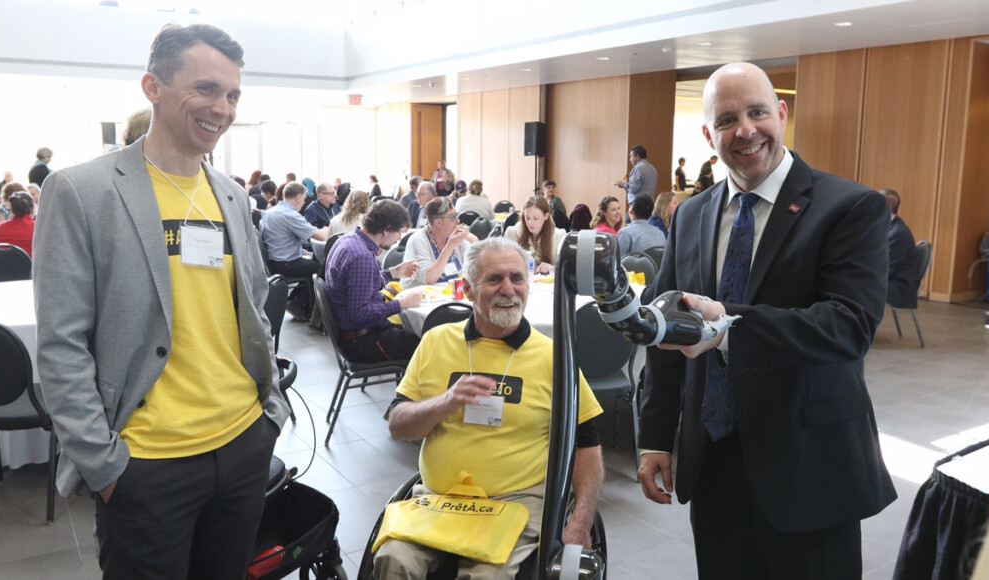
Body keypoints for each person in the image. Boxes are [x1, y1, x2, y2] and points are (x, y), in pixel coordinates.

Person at [32, 23, 290, 579]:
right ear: (152, 86)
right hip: (146, 462)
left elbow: (255, 308)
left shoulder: (232, 194)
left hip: (243, 443)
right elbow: (61, 344)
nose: (221, 108)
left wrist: (271, 415)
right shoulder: (82, 191)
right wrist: (103, 466)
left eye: (232, 94)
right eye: (205, 89)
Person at [637, 61, 896, 579]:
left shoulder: (849, 207)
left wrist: (728, 322)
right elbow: (666, 331)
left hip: (809, 466)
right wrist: (657, 437)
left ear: (781, 114)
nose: (746, 130)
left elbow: (849, 327)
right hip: (712, 462)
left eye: (758, 112)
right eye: (728, 119)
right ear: (709, 134)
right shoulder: (690, 214)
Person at [374, 237, 604, 578]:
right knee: (392, 560)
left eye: (517, 278)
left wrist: (580, 520)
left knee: (486, 576)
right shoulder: (436, 342)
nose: (508, 289)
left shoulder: (554, 357)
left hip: (516, 503)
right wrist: (445, 402)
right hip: (439, 498)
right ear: (467, 289)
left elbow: (587, 445)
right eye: (494, 279)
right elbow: (398, 425)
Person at [324, 200, 423, 363]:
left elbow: (359, 285)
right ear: (387, 229)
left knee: (421, 336)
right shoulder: (362, 257)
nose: (399, 238)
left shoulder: (348, 240)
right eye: (398, 232)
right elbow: (360, 314)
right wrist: (402, 304)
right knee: (430, 343)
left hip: (356, 334)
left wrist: (394, 272)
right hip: (362, 341)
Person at [260, 181, 330, 321]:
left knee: (314, 265)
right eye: (304, 198)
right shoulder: (290, 215)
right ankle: (297, 303)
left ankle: (294, 301)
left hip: (274, 261)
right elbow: (320, 236)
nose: (304, 202)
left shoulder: (270, 211)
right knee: (323, 268)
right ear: (298, 198)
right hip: (286, 263)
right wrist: (331, 229)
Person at [401, 197, 477, 289]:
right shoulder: (417, 240)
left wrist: (474, 241)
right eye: (452, 216)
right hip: (421, 297)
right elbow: (429, 278)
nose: (458, 220)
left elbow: (474, 269)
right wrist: (450, 246)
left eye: (456, 214)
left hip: (451, 296)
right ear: (438, 222)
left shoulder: (456, 237)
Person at [504, 195, 566, 275]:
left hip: (548, 286)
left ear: (546, 216)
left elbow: (566, 270)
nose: (530, 223)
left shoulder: (559, 236)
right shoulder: (511, 233)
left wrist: (553, 268)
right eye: (527, 217)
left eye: (536, 218)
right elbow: (503, 266)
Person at [880, 188, 920, 309]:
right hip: (891, 282)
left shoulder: (898, 233)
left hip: (899, 289)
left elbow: (887, 268)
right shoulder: (889, 227)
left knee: (852, 283)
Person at [0, 191, 35, 255]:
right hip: (29, 264)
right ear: (33, 208)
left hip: (0, 264)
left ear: (11, 207)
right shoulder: (38, 230)